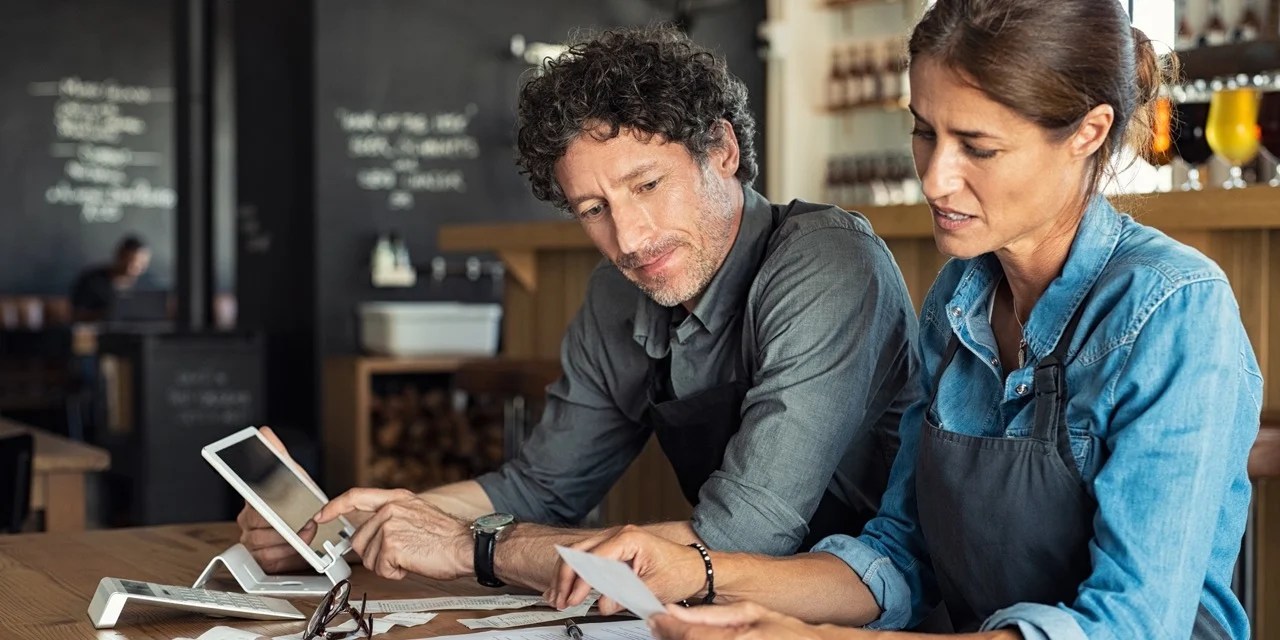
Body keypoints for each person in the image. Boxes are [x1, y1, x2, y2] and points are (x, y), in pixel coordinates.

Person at [548, 2, 1261, 638]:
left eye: (977, 147)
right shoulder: (959, 299)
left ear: (1088, 132)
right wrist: (697, 572)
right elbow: (896, 556)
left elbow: (1132, 625)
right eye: (925, 132)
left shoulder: (1174, 308)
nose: (935, 177)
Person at [238, 25, 921, 591]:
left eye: (647, 185)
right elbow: (540, 486)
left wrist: (472, 548)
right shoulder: (616, 294)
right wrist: (350, 525)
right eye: (593, 210)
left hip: (882, 612)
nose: (628, 239)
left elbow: (740, 538)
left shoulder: (826, 264)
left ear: (721, 151)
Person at [70, 235, 152, 321]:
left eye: (141, 264)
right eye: (130, 262)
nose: (135, 268)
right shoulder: (91, 280)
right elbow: (77, 314)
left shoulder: (149, 283)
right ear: (120, 256)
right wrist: (108, 313)